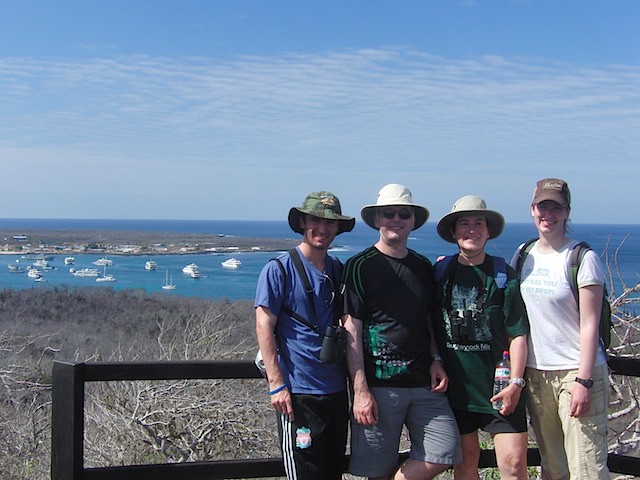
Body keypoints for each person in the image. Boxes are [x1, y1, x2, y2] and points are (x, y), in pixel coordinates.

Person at [341, 183, 462, 480]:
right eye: (389, 213)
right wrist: (360, 391)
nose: (396, 219)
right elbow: (351, 330)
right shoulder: (359, 266)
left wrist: (436, 359)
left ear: (412, 221)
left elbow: (428, 320)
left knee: (444, 450)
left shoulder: (422, 266)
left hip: (424, 384)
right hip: (379, 387)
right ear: (377, 220)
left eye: (403, 214)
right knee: (376, 470)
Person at [512, 178, 610, 479]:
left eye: (556, 208)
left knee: (587, 468)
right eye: (543, 206)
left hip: (576, 371)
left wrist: (584, 380)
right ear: (532, 209)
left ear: (567, 212)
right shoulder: (523, 254)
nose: (548, 215)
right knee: (553, 466)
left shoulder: (582, 258)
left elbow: (590, 322)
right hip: (537, 373)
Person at [255, 191, 355, 480]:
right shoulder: (279, 269)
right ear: (302, 223)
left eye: (330, 222)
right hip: (298, 393)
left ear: (337, 228)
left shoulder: (338, 270)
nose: (322, 228)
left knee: (332, 472)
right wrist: (276, 384)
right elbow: (263, 324)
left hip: (336, 391)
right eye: (315, 220)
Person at [433, 195, 530, 479]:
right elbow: (427, 321)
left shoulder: (503, 275)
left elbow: (518, 333)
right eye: (464, 223)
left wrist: (516, 383)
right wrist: (435, 359)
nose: (471, 230)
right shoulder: (440, 272)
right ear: (454, 232)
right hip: (457, 390)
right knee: (465, 464)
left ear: (488, 232)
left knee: (513, 464)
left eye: (479, 224)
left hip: (500, 388)